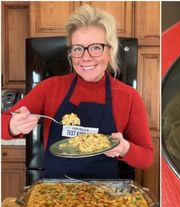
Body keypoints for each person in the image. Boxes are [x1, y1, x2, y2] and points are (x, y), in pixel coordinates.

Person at [1, 5, 154, 179]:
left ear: (110, 51)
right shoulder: (50, 88)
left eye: (96, 47)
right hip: (54, 193)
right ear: (71, 53)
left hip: (103, 195)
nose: (85, 57)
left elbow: (146, 158)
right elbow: (3, 124)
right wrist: (13, 126)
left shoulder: (129, 96)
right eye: (78, 48)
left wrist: (125, 148)